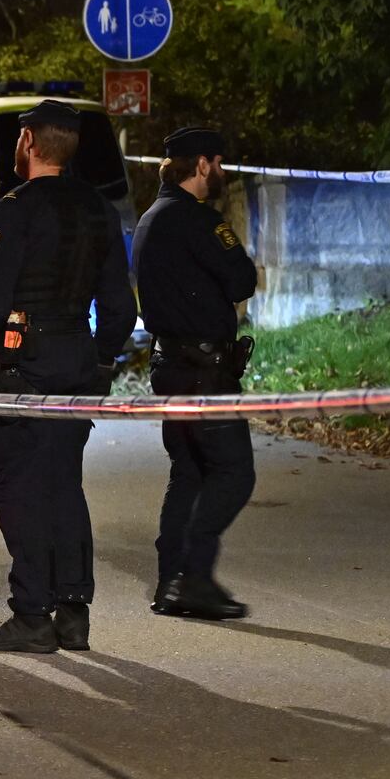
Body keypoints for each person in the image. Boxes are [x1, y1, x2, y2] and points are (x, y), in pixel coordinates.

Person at [0, 100, 136, 652]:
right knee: (64, 485)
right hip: (76, 357)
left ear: (27, 142)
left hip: (23, 363)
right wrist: (100, 360)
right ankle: (73, 613)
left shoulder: (13, 208)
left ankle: (31, 615)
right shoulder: (98, 209)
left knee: (20, 489)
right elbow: (120, 306)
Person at [132, 127, 258, 620]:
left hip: (170, 366)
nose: (222, 171)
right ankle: (194, 577)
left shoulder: (150, 219)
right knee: (233, 472)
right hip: (206, 373)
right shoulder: (197, 221)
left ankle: (172, 580)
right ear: (201, 165)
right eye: (218, 162)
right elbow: (242, 280)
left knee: (188, 471)